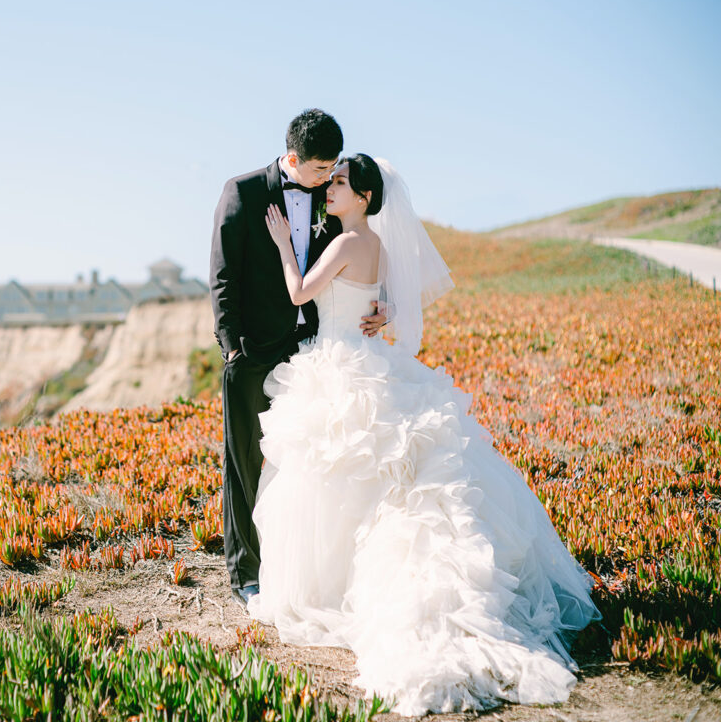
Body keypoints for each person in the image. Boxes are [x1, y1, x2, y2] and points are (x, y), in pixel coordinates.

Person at [246, 153, 603, 716]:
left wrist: (283, 247)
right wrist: (382, 314)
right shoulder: (379, 246)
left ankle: (333, 586)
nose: (330, 189)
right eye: (331, 181)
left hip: (339, 364)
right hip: (369, 360)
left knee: (336, 476)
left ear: (365, 197)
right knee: (376, 475)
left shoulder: (344, 243)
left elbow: (299, 294)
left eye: (340, 183)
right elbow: (386, 301)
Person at [209, 110, 389, 606]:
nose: (328, 178)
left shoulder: (330, 199)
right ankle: (246, 574)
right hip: (251, 351)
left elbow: (359, 262)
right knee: (244, 461)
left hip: (310, 352)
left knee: (303, 465)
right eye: (320, 169)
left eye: (334, 170)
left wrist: (383, 308)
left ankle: (293, 569)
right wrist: (231, 346)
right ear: (293, 158)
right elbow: (223, 276)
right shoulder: (242, 192)